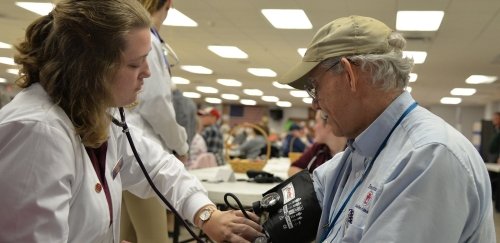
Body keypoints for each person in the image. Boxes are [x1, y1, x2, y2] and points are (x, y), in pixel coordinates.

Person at [0, 1, 263, 242]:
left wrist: (207, 214)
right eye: (135, 65)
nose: (147, 73)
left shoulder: (99, 114)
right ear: (91, 68)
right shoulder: (37, 133)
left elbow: (158, 167)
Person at [279, 15, 495, 242]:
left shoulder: (427, 156)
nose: (315, 103)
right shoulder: (361, 151)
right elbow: (306, 197)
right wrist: (248, 222)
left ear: (349, 75)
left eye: (315, 87)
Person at [120, 0, 192, 242]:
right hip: (141, 155)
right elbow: (156, 101)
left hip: (127, 154)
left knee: (125, 236)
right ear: (169, 4)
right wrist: (180, 146)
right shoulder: (146, 41)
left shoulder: (135, 37)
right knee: (154, 239)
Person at [288, 110, 346, 176]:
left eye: (316, 122)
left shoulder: (353, 152)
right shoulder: (318, 148)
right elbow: (292, 169)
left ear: (329, 124)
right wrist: (316, 181)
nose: (314, 127)